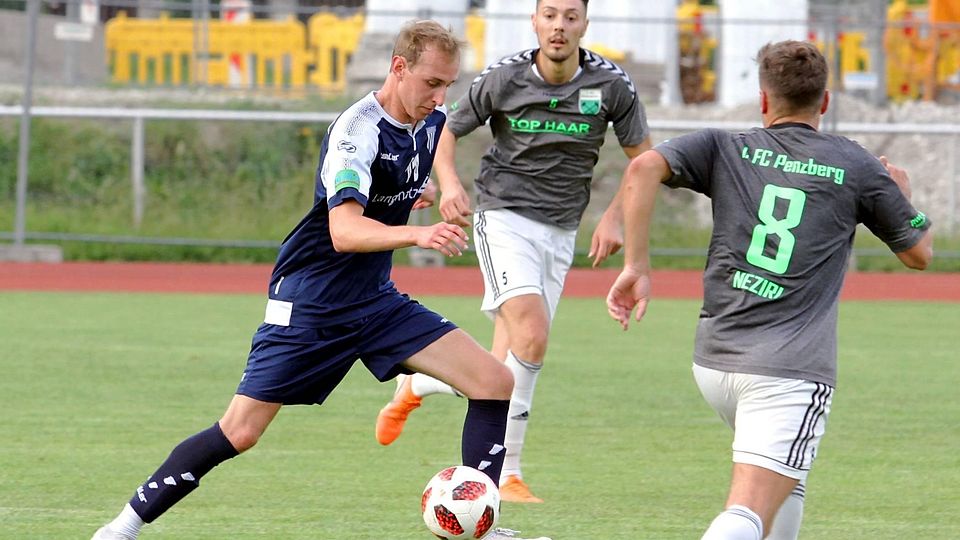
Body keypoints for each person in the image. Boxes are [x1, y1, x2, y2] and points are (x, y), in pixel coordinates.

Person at [92, 20, 551, 540]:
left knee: (494, 382)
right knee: (240, 431)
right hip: (311, 305)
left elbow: (394, 180)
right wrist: (418, 237)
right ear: (398, 68)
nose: (441, 96)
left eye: (449, 84)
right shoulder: (355, 132)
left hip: (375, 303)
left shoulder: (430, 119)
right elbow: (345, 231)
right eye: (431, 83)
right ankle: (122, 527)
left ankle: (481, 528)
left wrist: (419, 194)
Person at [606, 40, 933, 540]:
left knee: (788, 480)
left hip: (714, 362)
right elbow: (919, 254)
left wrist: (637, 265)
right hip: (787, 371)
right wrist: (903, 197)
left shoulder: (725, 146)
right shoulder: (855, 163)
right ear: (824, 102)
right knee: (745, 513)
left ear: (763, 99)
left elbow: (642, 167)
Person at [374, 0, 652, 504]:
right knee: (533, 333)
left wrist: (613, 217)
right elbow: (448, 131)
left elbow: (646, 163)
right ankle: (506, 476)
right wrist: (451, 184)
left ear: (585, 23)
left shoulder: (612, 85)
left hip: (561, 231)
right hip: (501, 217)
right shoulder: (504, 77)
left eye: (570, 16)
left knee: (507, 363)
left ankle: (418, 388)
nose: (559, 26)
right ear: (535, 21)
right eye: (549, 14)